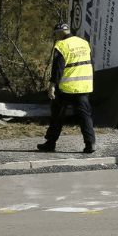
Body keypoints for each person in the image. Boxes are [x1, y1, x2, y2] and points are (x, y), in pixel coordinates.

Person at [37, 23, 96, 153]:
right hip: (84, 86)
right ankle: (90, 143)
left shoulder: (61, 46)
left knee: (57, 115)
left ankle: (50, 144)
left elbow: (58, 69)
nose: (56, 37)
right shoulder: (83, 43)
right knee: (85, 116)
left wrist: (52, 85)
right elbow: (90, 62)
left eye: (56, 34)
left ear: (59, 33)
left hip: (67, 87)